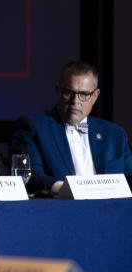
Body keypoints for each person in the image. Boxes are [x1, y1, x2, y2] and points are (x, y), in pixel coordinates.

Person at [11, 61, 132, 194]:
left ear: (95, 96)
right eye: (69, 92)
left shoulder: (115, 134)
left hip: (111, 211)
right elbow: (27, 177)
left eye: (84, 94)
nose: (75, 101)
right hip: (60, 210)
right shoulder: (33, 127)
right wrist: (67, 190)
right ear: (58, 91)